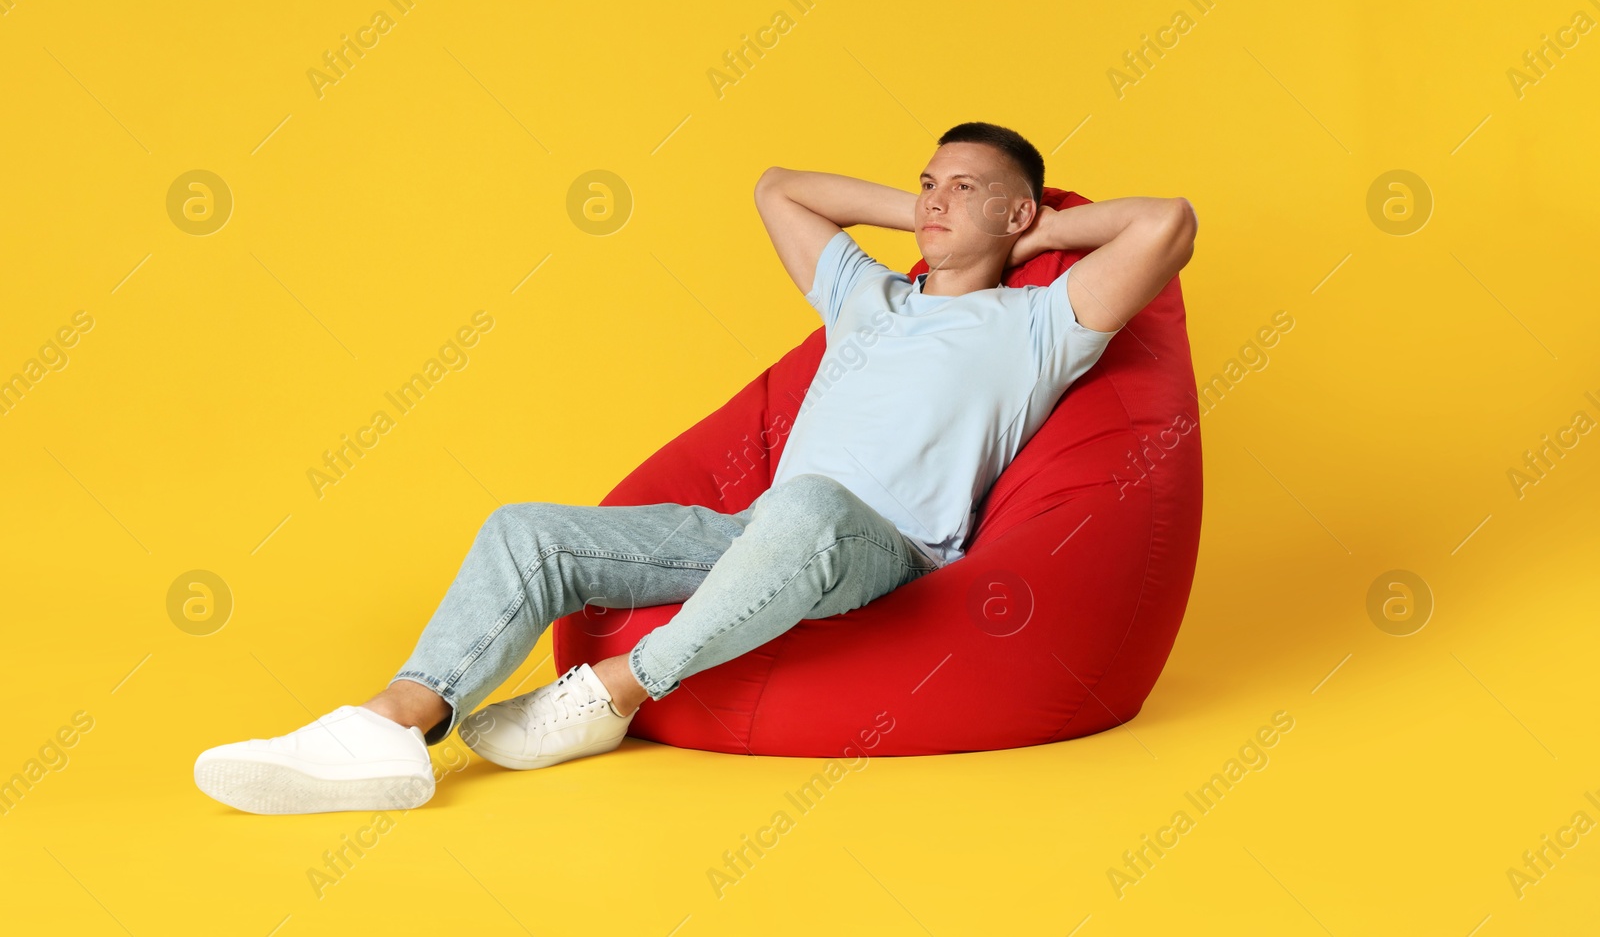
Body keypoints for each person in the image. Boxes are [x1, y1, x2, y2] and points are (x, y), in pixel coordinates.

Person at [193, 121, 1197, 814]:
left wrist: (1032, 226)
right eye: (926, 182)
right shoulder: (867, 297)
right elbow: (778, 188)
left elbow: (1166, 225)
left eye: (962, 187)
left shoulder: (1034, 325)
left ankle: (618, 689)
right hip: (755, 536)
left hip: (882, 546)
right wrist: (936, 209)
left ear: (1019, 215)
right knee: (525, 528)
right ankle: (393, 723)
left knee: (801, 504)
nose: (935, 200)